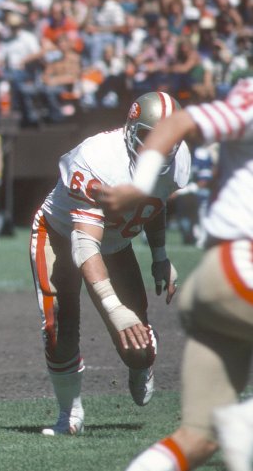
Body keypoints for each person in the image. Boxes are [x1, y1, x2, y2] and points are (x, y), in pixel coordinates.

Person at [97, 77, 253, 471]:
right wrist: (141, 186)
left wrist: (143, 187)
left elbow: (176, 126)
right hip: (243, 268)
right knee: (233, 426)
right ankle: (245, 422)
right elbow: (172, 124)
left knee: (198, 439)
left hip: (215, 276)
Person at [29, 91, 191, 436]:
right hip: (60, 232)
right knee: (59, 321)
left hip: (116, 243)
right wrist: (111, 304)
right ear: (130, 130)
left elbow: (153, 206)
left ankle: (142, 364)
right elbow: (85, 243)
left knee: (137, 349)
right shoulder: (96, 158)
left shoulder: (178, 161)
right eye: (150, 136)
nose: (160, 147)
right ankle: (69, 415)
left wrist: (160, 255)